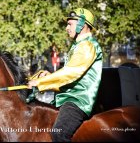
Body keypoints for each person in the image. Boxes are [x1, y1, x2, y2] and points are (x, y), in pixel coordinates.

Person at [28, 8, 103, 142]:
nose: (66, 28)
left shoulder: (87, 45)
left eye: (70, 24)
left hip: (77, 101)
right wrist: (48, 77)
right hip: (67, 98)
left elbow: (71, 73)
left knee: (59, 134)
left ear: (82, 24)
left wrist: (41, 83)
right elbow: (68, 75)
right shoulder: (78, 45)